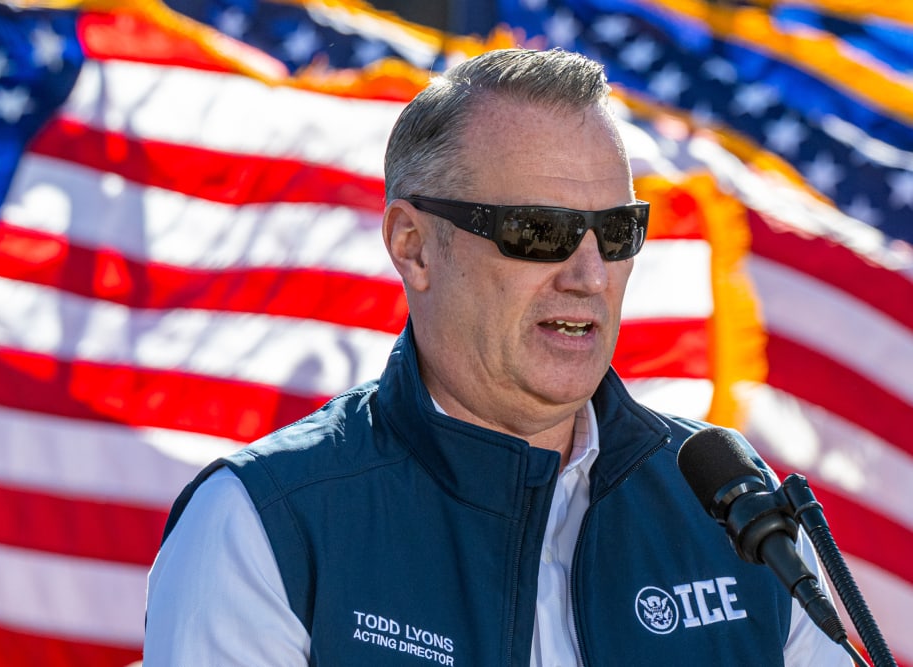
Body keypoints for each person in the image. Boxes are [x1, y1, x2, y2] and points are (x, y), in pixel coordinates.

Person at [144, 48, 852, 666]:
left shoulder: (730, 508)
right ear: (413, 246)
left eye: (615, 230)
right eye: (539, 230)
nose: (588, 274)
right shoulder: (261, 519)